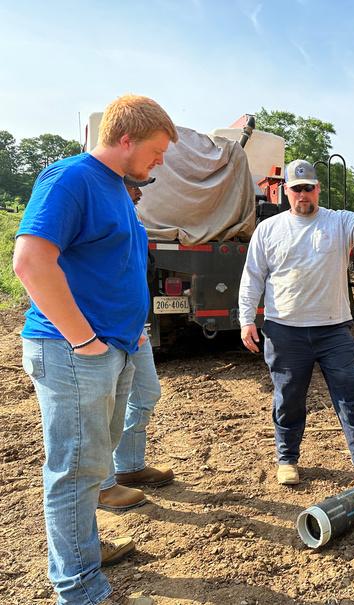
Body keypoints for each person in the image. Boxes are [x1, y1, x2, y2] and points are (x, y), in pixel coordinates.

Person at [14, 95, 177, 605]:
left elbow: (112, 266)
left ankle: (83, 553)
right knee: (75, 471)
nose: (160, 161)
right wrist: (84, 338)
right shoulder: (71, 178)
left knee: (94, 464)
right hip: (72, 351)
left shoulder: (115, 188)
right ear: (125, 139)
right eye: (156, 150)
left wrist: (132, 330)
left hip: (115, 345)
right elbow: (31, 261)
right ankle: (81, 589)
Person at [239, 159, 354, 486]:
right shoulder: (269, 230)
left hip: (333, 329)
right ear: (286, 191)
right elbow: (252, 277)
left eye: (308, 188)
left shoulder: (339, 223)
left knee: (349, 395)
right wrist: (246, 319)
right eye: (296, 189)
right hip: (285, 331)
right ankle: (287, 459)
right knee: (288, 398)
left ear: (318, 189)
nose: (303, 194)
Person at [97, 175, 173, 513]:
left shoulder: (132, 219)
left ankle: (128, 465)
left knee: (146, 393)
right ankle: (101, 486)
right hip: (104, 329)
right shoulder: (99, 216)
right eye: (132, 186)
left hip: (133, 328)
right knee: (102, 409)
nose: (139, 192)